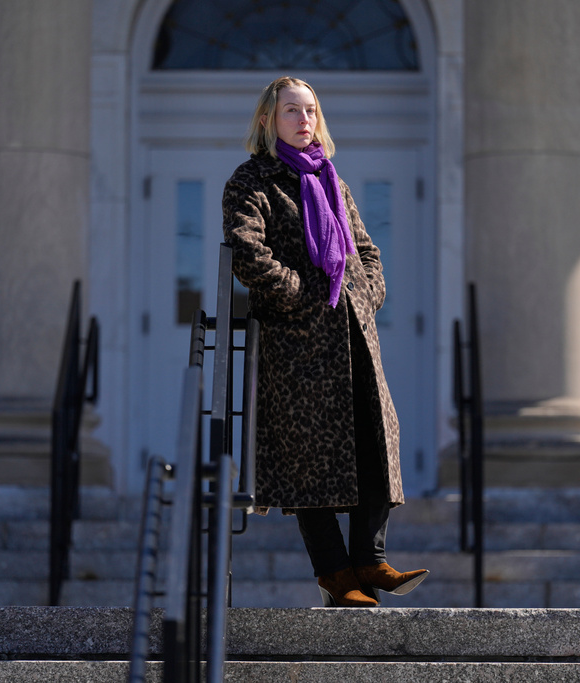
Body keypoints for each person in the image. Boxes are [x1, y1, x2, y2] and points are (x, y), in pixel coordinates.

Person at [222, 76, 428, 607]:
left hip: (354, 336)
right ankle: (336, 576)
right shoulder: (251, 182)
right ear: (268, 119)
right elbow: (247, 253)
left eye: (311, 110)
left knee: (375, 441)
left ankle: (370, 559)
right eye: (292, 110)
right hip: (297, 348)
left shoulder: (333, 181)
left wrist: (367, 291)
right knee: (306, 464)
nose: (305, 120)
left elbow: (367, 249)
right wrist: (303, 296)